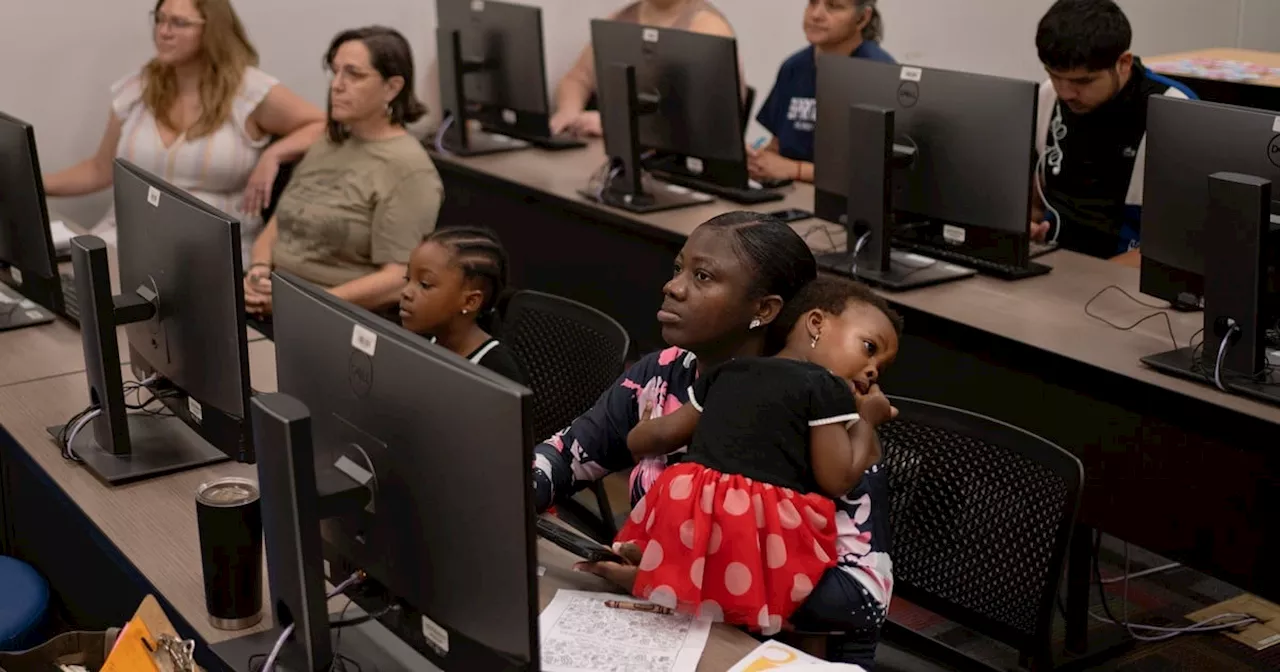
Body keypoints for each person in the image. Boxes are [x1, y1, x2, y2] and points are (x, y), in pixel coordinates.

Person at [617, 275, 902, 641]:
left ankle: (656, 572)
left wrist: (641, 425)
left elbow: (653, 438)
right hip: (750, 534)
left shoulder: (729, 370)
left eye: (882, 365)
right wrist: (867, 420)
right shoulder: (825, 387)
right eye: (868, 347)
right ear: (816, 323)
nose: (873, 370)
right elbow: (837, 478)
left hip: (686, 510)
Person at [43, 0, 325, 262]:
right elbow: (99, 169)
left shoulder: (250, 91)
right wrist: (32, 183)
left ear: (213, 29)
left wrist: (274, 153)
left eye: (179, 23)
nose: (164, 32)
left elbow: (323, 125)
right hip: (125, 240)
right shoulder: (139, 88)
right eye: (160, 20)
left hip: (211, 253)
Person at [244, 26, 444, 318]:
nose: (337, 85)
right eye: (335, 72)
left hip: (333, 317)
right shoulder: (329, 141)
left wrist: (300, 303)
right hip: (278, 300)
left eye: (354, 75)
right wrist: (259, 271)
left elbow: (397, 278)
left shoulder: (409, 169)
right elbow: (283, 221)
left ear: (392, 87)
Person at [1029, 0, 1195, 261]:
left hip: (1123, 272)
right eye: (1054, 75)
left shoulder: (1172, 112)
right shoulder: (1047, 96)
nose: (1065, 92)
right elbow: (1036, 203)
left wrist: (1089, 277)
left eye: (1082, 81)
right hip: (1054, 260)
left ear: (1124, 63)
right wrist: (1026, 229)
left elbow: (1179, 245)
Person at [750, 0, 893, 184]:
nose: (816, 15)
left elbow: (873, 173)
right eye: (812, 2)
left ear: (862, 18)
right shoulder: (793, 67)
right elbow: (778, 145)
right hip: (790, 195)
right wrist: (757, 160)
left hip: (841, 204)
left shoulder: (880, 75)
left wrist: (795, 170)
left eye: (833, 6)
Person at [548, 0, 736, 137]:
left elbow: (697, 121)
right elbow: (578, 78)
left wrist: (616, 125)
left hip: (670, 166)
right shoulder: (620, 18)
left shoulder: (708, 27)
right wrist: (569, 112)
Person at [398, 227, 527, 385]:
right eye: (407, 278)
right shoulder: (419, 340)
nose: (406, 292)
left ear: (470, 302)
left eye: (424, 284)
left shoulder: (497, 371)